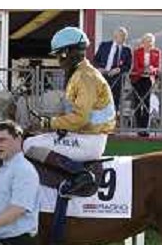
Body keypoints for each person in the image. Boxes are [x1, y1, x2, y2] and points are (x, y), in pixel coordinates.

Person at [23, 26, 116, 197]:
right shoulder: (78, 74)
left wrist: (47, 123)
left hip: (89, 141)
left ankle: (81, 175)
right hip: (84, 136)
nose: (58, 59)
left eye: (60, 54)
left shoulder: (85, 77)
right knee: (31, 139)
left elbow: (80, 118)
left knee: (29, 145)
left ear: (69, 52)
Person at [94, 26, 132, 113]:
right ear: (115, 36)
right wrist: (99, 68)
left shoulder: (127, 50)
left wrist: (119, 69)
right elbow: (95, 60)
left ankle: (112, 119)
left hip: (117, 78)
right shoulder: (104, 45)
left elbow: (128, 66)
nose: (124, 38)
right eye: (121, 36)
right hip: (102, 76)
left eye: (124, 36)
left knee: (114, 100)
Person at [130, 33, 161, 136]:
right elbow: (135, 66)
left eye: (151, 41)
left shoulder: (157, 52)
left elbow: (157, 67)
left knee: (147, 102)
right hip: (138, 78)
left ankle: (145, 128)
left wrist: (152, 69)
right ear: (143, 42)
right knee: (138, 103)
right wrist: (144, 70)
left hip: (148, 79)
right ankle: (139, 128)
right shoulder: (137, 52)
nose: (149, 43)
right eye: (147, 41)